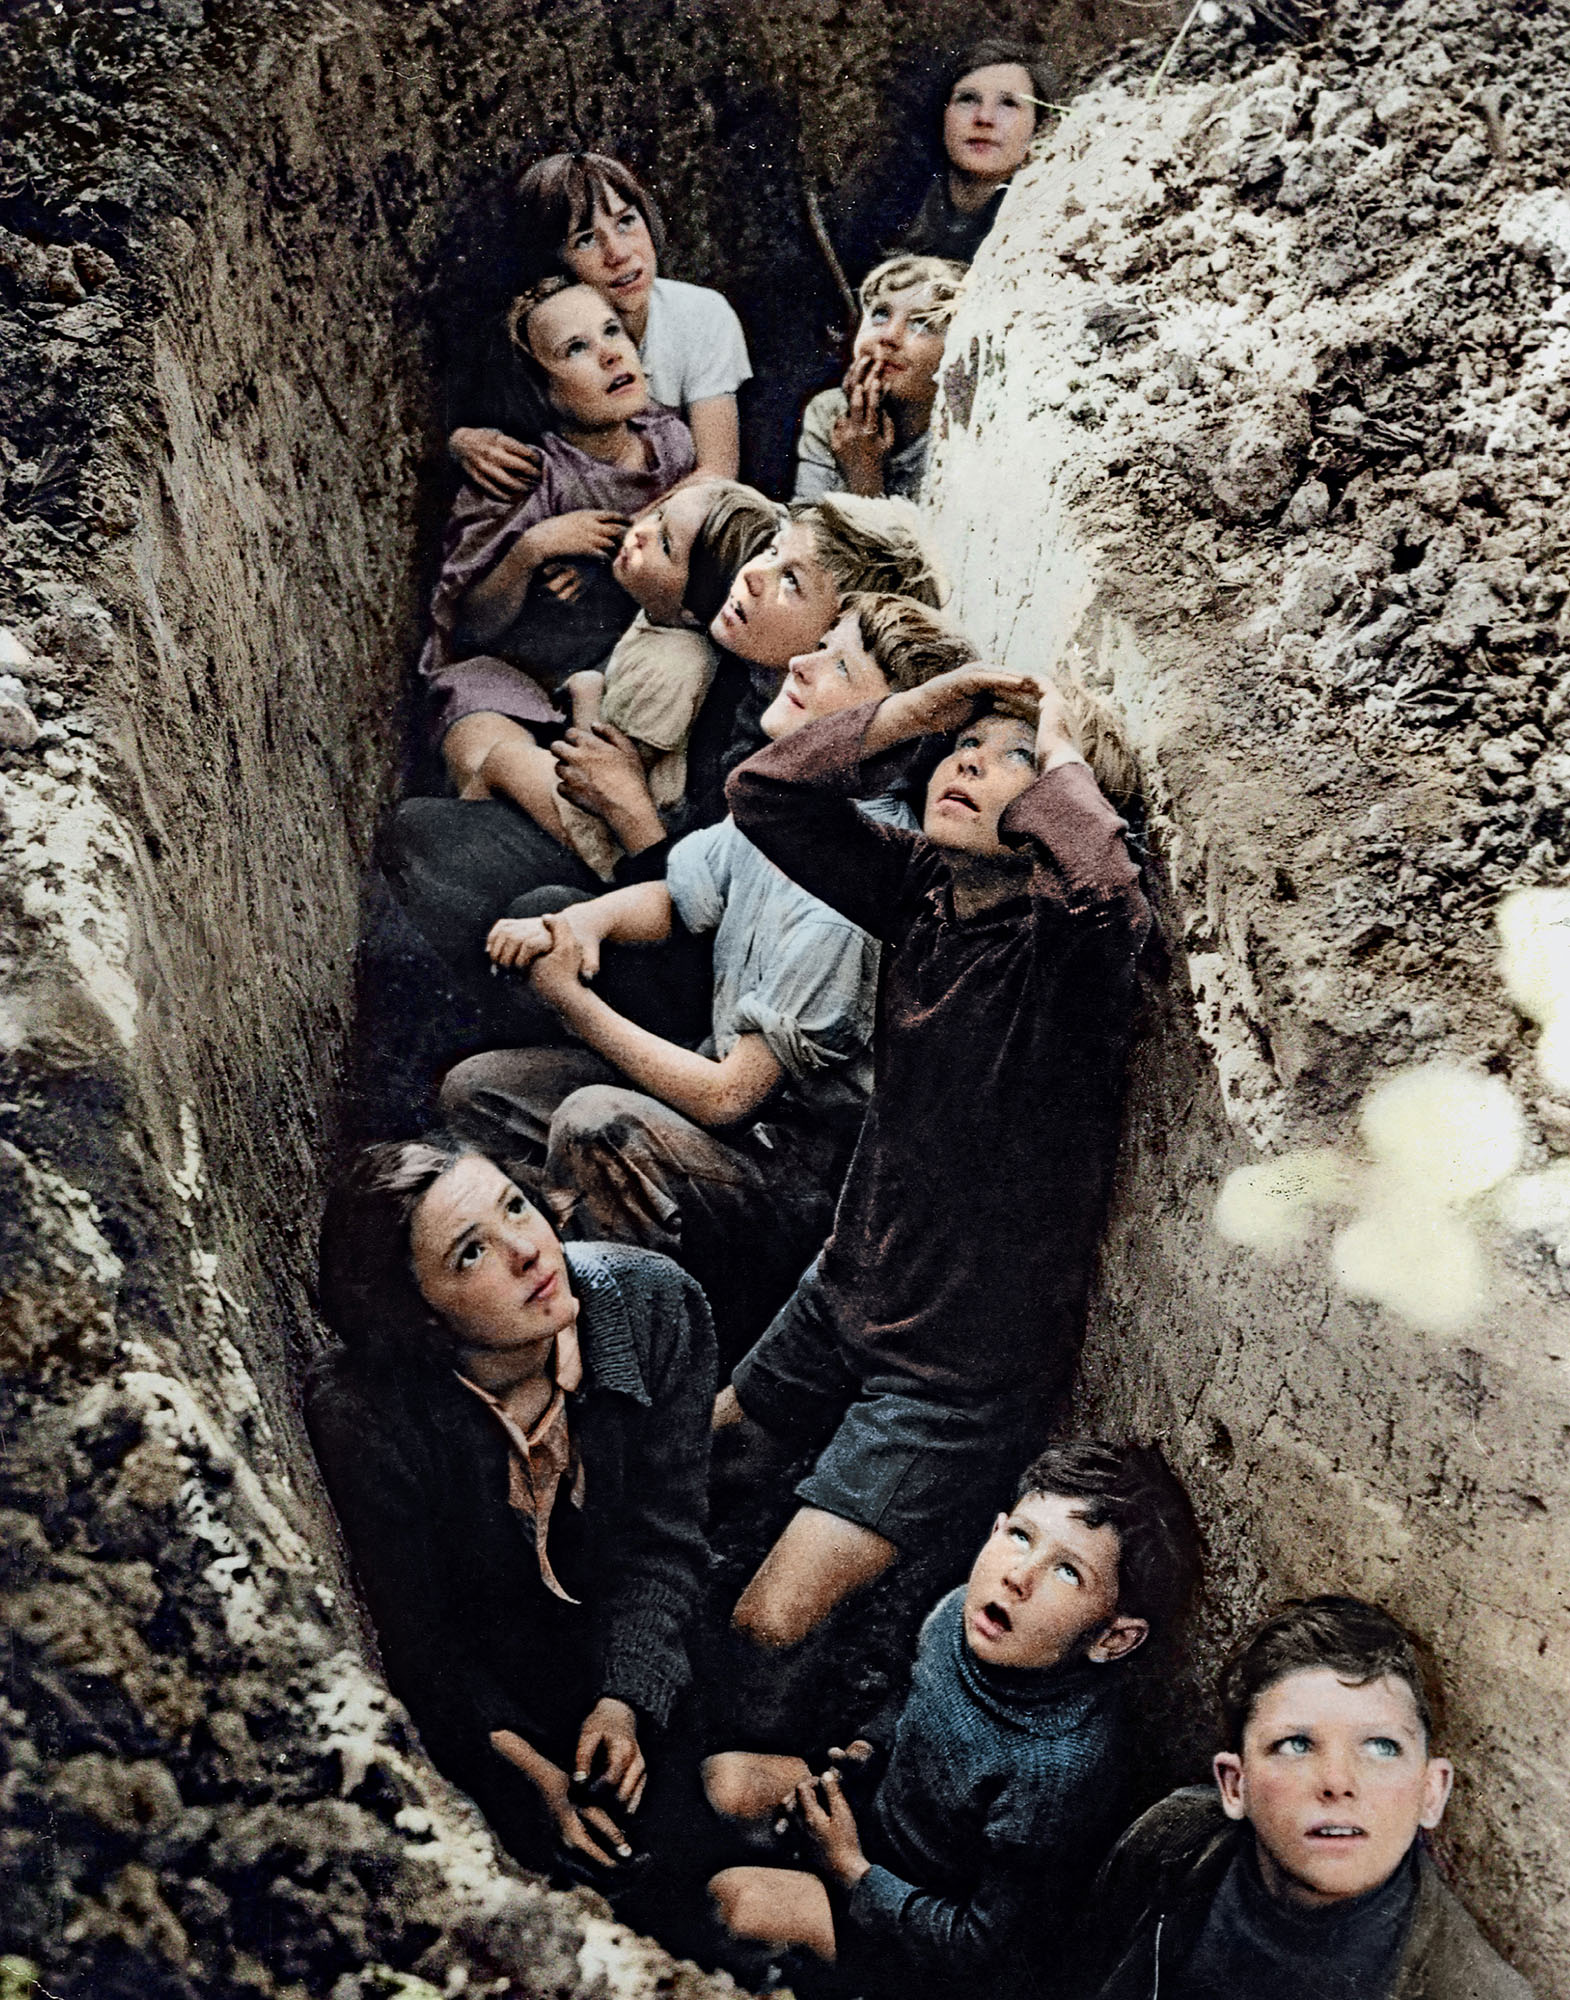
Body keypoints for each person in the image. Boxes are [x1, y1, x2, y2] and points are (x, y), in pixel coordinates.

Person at [717, 665, 1151, 1663]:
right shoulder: (923, 890)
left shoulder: (1058, 954)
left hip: (951, 1371)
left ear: (1058, 809)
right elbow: (764, 795)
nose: (971, 761)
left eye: (1017, 761)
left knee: (768, 1622)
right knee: (714, 1452)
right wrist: (909, 712)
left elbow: (1107, 902)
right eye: (965, 745)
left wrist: (1067, 743)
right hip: (848, 1287)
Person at [437, 591, 977, 1363]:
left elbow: (730, 1097)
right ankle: (549, 1271)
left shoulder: (847, 892)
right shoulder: (787, 811)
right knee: (478, 1094)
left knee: (596, 1123)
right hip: (718, 1116)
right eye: (820, 644)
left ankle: (641, 1351)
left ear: (878, 740)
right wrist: (581, 924)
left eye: (837, 665)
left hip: (793, 1176)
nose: (801, 661)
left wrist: (570, 999)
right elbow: (678, 893)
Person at [380, 492, 949, 1035]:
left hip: (688, 972)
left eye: (791, 581)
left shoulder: (802, 755)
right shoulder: (744, 664)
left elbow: (702, 928)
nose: (754, 572)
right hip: (627, 861)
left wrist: (629, 808)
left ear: (838, 631)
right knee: (427, 829)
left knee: (516, 899)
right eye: (773, 551)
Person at [304, 1138, 715, 1888]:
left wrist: (626, 1700)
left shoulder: (654, 1305)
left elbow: (666, 1540)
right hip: (492, 1696)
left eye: (516, 1207)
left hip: (618, 1648)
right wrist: (536, 1782)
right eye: (471, 1253)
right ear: (421, 1318)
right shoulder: (369, 1416)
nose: (528, 1251)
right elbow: (421, 1640)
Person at [700, 1442, 1200, 1997]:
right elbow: (914, 1699)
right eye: (1020, 1537)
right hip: (877, 1833)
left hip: (931, 1942)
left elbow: (982, 1946)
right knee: (725, 1783)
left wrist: (849, 1870)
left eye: (1066, 1571)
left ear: (1113, 1638)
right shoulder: (960, 1615)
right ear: (994, 1531)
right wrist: (866, 1752)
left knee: (737, 1904)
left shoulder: (1058, 1769)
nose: (1018, 1576)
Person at [1078, 1596, 1535, 1999]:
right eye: (1295, 1744)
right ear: (1235, 1785)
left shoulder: (1467, 1987)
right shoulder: (1170, 1843)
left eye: (1381, 1747)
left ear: (1431, 1792)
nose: (1338, 1782)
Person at [423, 276, 696, 805]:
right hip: (516, 677)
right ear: (541, 389)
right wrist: (531, 550)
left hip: (622, 672)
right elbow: (472, 626)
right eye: (577, 348)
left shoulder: (672, 445)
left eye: (612, 331)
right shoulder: (523, 476)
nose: (610, 355)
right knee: (479, 749)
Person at [492, 479, 784, 878]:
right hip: (595, 786)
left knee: (502, 760)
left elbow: (603, 764)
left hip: (605, 828)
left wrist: (587, 688)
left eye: (666, 546)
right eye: (660, 514)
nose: (643, 531)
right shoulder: (659, 614)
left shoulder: (676, 666)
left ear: (694, 613)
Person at [449, 152, 752, 500]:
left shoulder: (700, 314)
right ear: (552, 263)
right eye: (586, 239)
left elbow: (717, 472)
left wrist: (623, 538)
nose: (619, 252)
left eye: (626, 221)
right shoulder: (534, 334)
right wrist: (461, 441)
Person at [793, 255, 967, 503]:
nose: (889, 336)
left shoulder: (959, 436)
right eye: (881, 314)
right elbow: (807, 526)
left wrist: (863, 477)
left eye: (921, 323)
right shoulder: (830, 412)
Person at [898, 41, 1058, 265]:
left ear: (1038, 125)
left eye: (1009, 103)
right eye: (967, 99)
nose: (984, 118)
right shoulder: (896, 207)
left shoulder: (1046, 226)